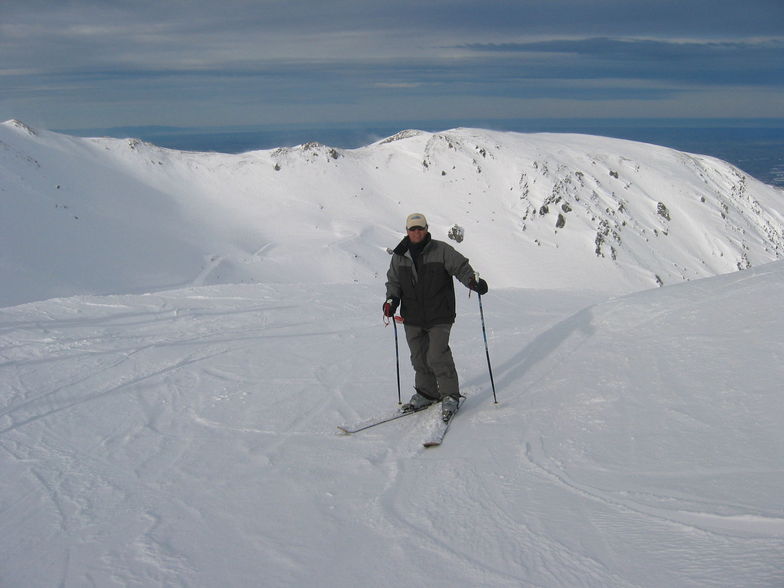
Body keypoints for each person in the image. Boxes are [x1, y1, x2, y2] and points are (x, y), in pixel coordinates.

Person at [383, 213, 488, 421]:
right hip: (412, 316)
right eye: (413, 229)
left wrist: (472, 282)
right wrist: (391, 300)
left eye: (420, 228)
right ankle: (427, 393)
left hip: (439, 313)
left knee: (437, 355)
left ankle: (450, 395)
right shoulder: (399, 255)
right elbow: (393, 282)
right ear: (407, 231)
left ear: (426, 228)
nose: (416, 232)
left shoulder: (440, 250)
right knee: (419, 357)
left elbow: (460, 267)